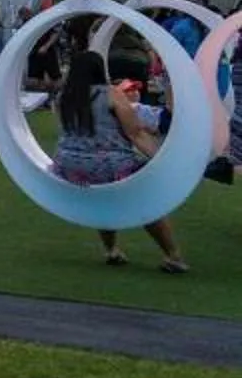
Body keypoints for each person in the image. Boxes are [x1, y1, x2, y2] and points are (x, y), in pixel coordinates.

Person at [50, 48, 190, 273]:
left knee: (102, 197)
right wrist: (163, 159)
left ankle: (112, 250)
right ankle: (172, 255)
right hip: (110, 164)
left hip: (68, 166)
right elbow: (135, 133)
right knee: (147, 201)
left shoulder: (62, 97)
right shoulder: (112, 94)